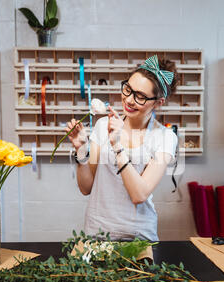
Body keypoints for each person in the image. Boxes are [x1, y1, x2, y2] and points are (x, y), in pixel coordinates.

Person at [65, 56, 179, 241]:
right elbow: (86, 188)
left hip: (139, 237)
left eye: (140, 96)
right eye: (128, 89)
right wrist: (81, 150)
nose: (129, 100)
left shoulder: (165, 137)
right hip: (97, 233)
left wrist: (117, 145)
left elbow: (139, 194)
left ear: (158, 102)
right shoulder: (103, 125)